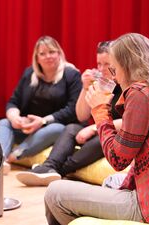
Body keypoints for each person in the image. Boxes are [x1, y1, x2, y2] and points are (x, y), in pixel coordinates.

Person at [44, 33, 149, 225]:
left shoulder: (140, 93)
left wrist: (100, 111)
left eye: (114, 68)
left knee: (55, 192)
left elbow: (118, 159)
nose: (115, 76)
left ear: (127, 66)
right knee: (112, 181)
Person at [16, 41, 122, 186]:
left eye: (107, 64)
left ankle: (59, 170)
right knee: (72, 127)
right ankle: (49, 166)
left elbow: (128, 121)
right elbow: (81, 116)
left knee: (102, 139)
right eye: (99, 64)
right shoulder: (101, 83)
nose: (102, 69)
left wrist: (93, 128)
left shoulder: (126, 84)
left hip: (118, 133)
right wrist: (85, 88)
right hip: (101, 127)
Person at [0, 35, 82, 169]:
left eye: (52, 52)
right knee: (4, 122)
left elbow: (72, 109)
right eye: (43, 54)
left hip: (54, 126)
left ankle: (16, 155)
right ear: (37, 58)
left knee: (57, 128)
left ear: (59, 54)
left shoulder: (71, 74)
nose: (48, 56)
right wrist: (15, 117)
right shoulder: (29, 73)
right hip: (29, 127)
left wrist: (42, 121)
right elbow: (13, 101)